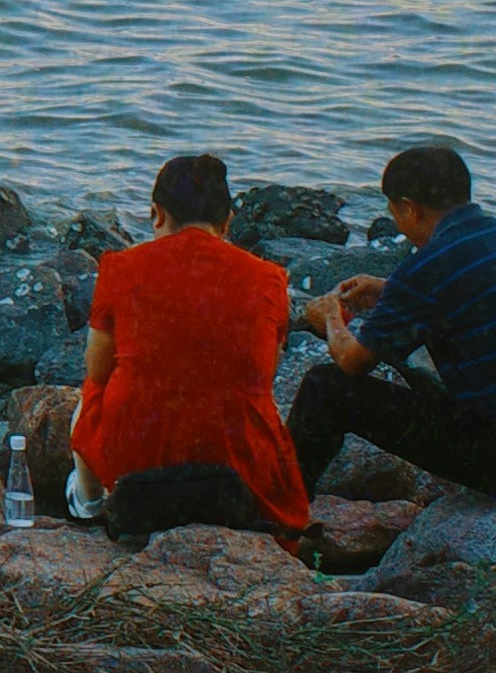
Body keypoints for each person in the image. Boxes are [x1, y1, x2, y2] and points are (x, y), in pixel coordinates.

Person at [289, 142, 496, 501]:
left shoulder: (427, 269)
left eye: (394, 211)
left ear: (409, 209)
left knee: (325, 387)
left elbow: (352, 361)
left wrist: (330, 315)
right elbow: (478, 292)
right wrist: (392, 290)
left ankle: (282, 517)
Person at [53, 152, 308, 543]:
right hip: (234, 465)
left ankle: (90, 506)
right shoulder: (269, 278)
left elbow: (97, 368)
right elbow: (264, 375)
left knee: (93, 393)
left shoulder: (121, 268)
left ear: (156, 213)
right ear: (227, 222)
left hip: (138, 462)